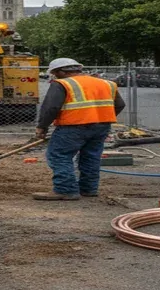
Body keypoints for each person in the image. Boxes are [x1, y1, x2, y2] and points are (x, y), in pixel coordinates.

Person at [33, 58, 126, 201]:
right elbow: (120, 104)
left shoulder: (62, 84)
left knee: (59, 155)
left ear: (62, 71)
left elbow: (51, 107)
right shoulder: (107, 83)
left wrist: (42, 127)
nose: (54, 76)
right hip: (101, 127)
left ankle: (65, 190)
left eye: (55, 73)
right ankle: (89, 189)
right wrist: (101, 117)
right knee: (91, 156)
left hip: (73, 126)